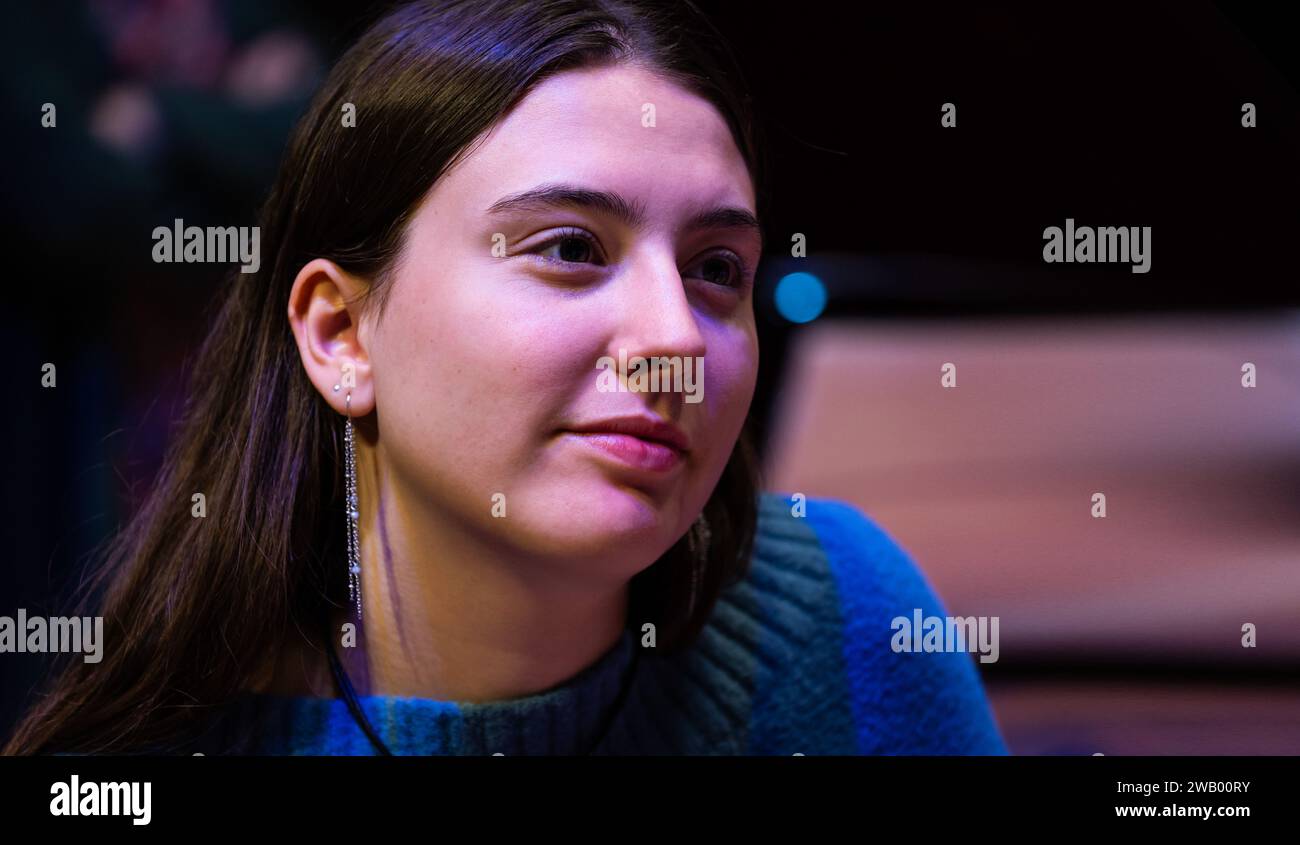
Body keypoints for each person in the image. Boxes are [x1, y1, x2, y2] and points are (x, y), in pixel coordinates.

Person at [4, 0, 1007, 756]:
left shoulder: (841, 616)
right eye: (570, 247)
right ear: (341, 333)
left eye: (716, 270)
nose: (676, 341)